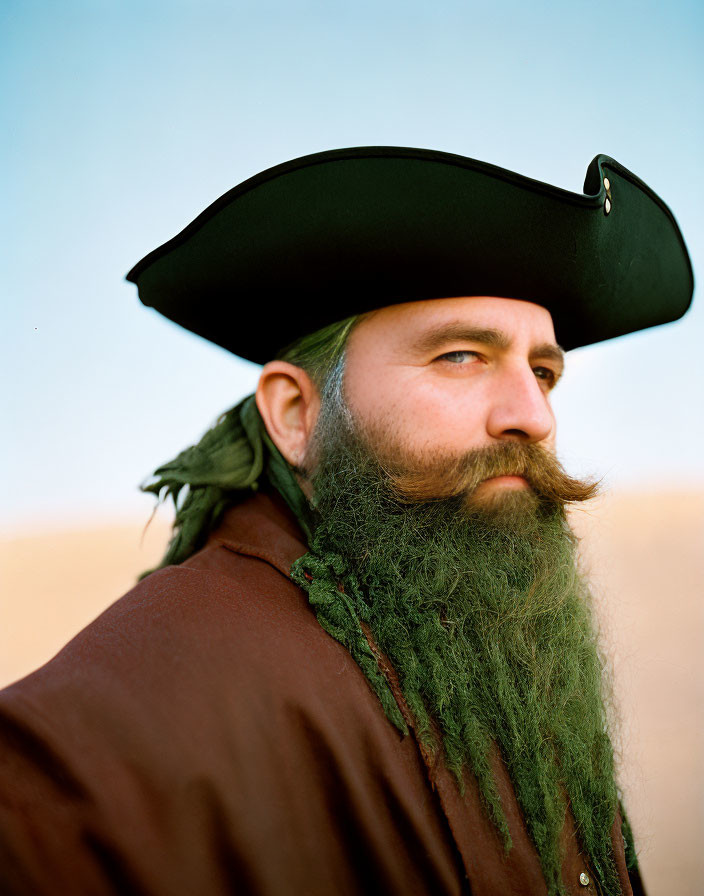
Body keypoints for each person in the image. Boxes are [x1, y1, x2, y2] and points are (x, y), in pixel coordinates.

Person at [0, 147, 693, 896]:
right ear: (297, 416)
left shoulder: (495, 640)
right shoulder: (157, 692)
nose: (533, 416)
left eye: (544, 372)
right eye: (461, 356)